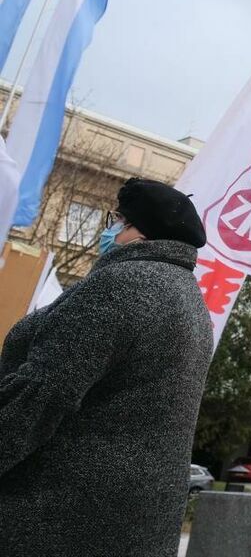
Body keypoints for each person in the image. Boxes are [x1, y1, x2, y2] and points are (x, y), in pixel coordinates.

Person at [0, 178, 213, 557]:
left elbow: (41, 395)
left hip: (60, 516)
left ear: (139, 232)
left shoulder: (120, 286)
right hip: (134, 520)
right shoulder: (189, 298)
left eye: (118, 221)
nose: (110, 231)